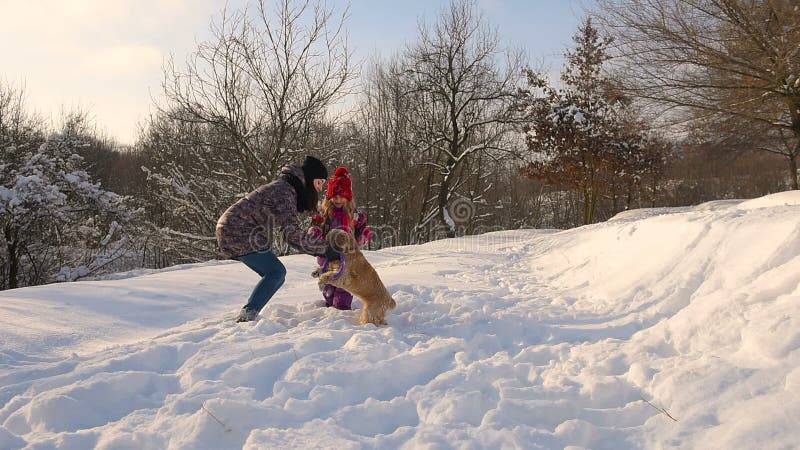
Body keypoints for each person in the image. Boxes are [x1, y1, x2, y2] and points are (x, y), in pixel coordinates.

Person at [216, 156, 339, 322]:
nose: (319, 189)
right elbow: (292, 235)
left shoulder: (287, 188)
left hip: (233, 229)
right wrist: (325, 249)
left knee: (274, 274)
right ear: (309, 179)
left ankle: (249, 313)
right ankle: (247, 316)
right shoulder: (285, 192)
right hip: (236, 230)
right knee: (276, 272)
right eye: (319, 183)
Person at [308, 166, 372, 310]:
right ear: (329, 197)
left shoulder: (354, 215)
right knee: (329, 290)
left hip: (347, 260)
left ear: (348, 197)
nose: (338, 199)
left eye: (341, 196)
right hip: (327, 259)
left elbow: (363, 230)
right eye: (335, 196)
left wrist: (363, 236)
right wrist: (314, 234)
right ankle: (330, 306)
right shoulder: (324, 214)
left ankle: (342, 311)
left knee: (343, 288)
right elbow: (315, 227)